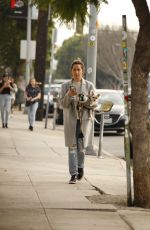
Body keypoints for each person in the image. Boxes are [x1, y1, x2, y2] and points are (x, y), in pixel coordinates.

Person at [60, 58, 99, 184]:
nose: (77, 72)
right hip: (71, 121)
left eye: (79, 70)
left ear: (82, 72)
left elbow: (94, 104)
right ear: (71, 71)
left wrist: (86, 100)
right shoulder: (65, 86)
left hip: (84, 121)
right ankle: (73, 174)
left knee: (81, 148)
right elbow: (63, 104)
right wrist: (69, 95)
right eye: (74, 70)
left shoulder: (89, 86)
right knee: (72, 147)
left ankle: (80, 166)